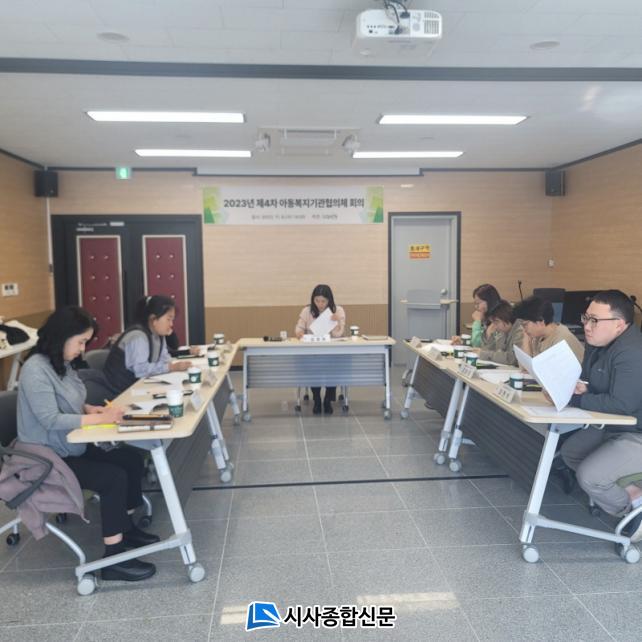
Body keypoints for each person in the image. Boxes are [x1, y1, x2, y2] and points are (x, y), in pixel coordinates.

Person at [17, 306, 159, 581]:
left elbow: (66, 401)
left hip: (69, 444)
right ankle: (113, 558)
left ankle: (126, 528)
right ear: (62, 336)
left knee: (130, 459)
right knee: (112, 477)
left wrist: (88, 409)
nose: (82, 349)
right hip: (48, 456)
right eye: (80, 341)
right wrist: (99, 419)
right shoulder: (35, 369)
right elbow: (49, 418)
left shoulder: (60, 363)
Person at [560, 290, 642, 542]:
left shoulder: (632, 352)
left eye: (595, 320)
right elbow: (589, 382)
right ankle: (634, 494)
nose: (586, 325)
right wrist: (577, 388)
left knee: (591, 476)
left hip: (635, 431)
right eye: (586, 318)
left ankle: (631, 512)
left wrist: (576, 398)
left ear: (619, 324)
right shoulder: (598, 344)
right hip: (614, 426)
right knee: (571, 453)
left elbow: (622, 404)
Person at [104, 295, 191, 396]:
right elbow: (140, 370)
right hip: (119, 391)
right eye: (168, 319)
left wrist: (176, 366)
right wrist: (171, 367)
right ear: (154, 319)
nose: (171, 324)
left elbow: (165, 359)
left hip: (138, 387)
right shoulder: (137, 337)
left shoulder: (158, 335)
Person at [295, 284, 346, 415]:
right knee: (313, 368)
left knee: (334, 369)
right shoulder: (307, 311)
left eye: (323, 301)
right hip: (313, 352)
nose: (320, 304)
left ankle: (328, 400)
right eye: (317, 300)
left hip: (331, 353)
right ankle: (317, 399)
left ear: (329, 300)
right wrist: (299, 333)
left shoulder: (338, 310)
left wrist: (336, 323)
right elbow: (299, 328)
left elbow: (338, 335)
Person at [513, 295, 584, 363]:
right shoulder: (538, 336)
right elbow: (525, 367)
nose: (523, 329)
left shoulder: (561, 341)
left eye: (525, 324)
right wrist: (526, 339)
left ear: (540, 321)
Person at [474, 300, 524, 366]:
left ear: (505, 317)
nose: (495, 326)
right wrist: (480, 351)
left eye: (496, 322)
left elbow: (512, 358)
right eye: (493, 323)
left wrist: (484, 354)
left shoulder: (520, 331)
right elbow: (493, 349)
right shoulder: (504, 331)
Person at [452, 283, 502, 350]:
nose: (476, 307)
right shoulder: (487, 319)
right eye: (475, 304)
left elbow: (477, 344)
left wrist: (477, 321)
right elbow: (482, 340)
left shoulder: (496, 322)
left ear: (489, 302)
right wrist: (463, 341)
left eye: (478, 303)